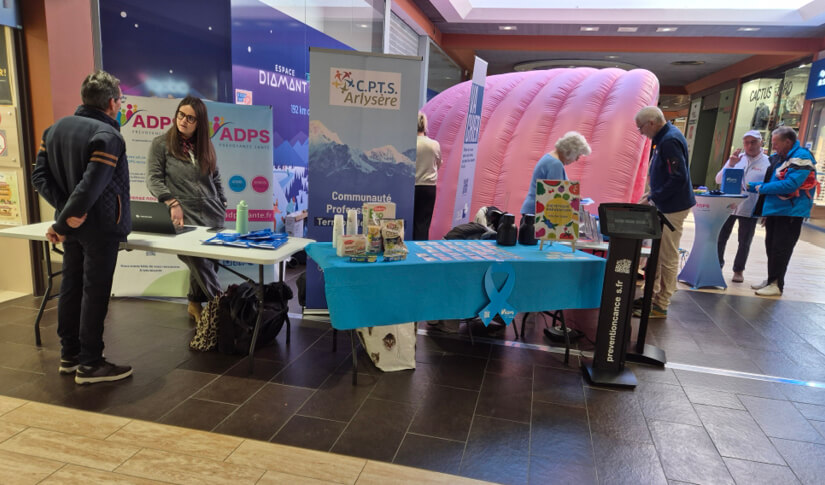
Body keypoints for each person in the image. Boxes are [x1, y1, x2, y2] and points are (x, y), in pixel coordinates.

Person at [31, 70, 133, 384]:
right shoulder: (108, 136)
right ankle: (90, 363)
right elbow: (93, 185)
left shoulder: (54, 129)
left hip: (75, 225)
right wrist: (68, 216)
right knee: (95, 291)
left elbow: (40, 178)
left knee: (71, 287)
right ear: (113, 103)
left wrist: (65, 215)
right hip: (101, 226)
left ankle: (70, 355)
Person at [147, 96, 227, 321]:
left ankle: (194, 302)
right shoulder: (161, 144)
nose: (183, 120)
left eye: (190, 118)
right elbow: (153, 179)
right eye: (181, 115)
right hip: (183, 214)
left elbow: (216, 177)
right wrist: (171, 202)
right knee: (198, 261)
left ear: (199, 122)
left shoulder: (205, 145)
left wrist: (222, 202)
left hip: (212, 214)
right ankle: (222, 309)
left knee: (210, 262)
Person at [633, 107, 696, 319]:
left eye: (641, 127)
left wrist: (654, 196)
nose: (641, 132)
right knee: (659, 255)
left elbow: (678, 177)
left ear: (651, 122)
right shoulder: (666, 137)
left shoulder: (668, 141)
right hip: (667, 204)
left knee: (667, 256)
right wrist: (653, 193)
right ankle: (651, 297)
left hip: (673, 207)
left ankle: (661, 304)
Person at [748, 126, 818, 297]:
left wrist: (761, 188)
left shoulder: (802, 157)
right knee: (771, 246)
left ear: (787, 141)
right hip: (776, 210)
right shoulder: (780, 157)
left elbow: (790, 185)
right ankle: (772, 279)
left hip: (790, 212)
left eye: (776, 143)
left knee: (781, 248)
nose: (774, 147)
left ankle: (776, 284)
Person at [714, 130, 770, 283]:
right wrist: (730, 164)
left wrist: (766, 210)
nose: (750, 145)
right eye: (747, 142)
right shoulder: (737, 159)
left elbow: (769, 188)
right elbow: (718, 179)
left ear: (761, 143)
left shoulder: (768, 162)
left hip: (750, 207)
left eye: (753, 142)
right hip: (729, 205)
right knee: (720, 237)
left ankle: (738, 270)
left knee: (744, 241)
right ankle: (717, 266)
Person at [520, 131, 591, 215]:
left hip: (532, 211)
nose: (576, 160)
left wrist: (574, 195)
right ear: (571, 152)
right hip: (537, 213)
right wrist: (574, 198)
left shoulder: (549, 158)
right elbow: (556, 195)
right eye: (577, 156)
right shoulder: (555, 164)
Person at [414, 112, 442, 240]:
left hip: (412, 186)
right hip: (429, 188)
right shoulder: (434, 144)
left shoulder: (409, 143)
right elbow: (438, 163)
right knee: (423, 223)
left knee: (410, 220)